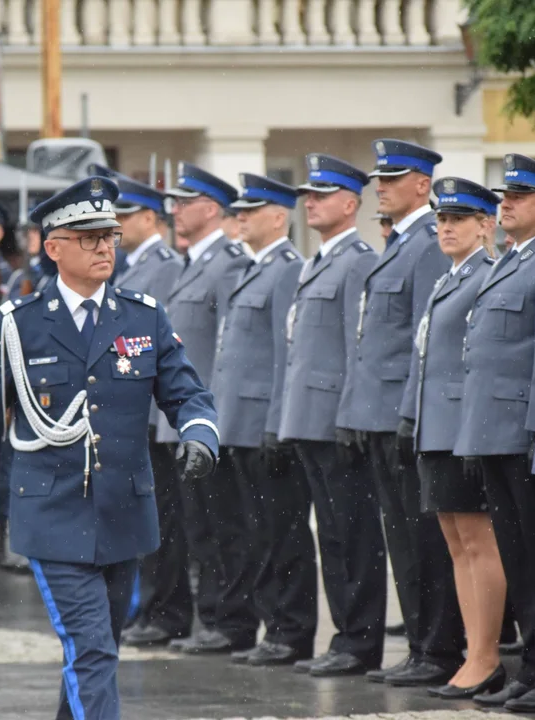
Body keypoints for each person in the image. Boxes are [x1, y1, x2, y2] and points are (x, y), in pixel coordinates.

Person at [0, 176, 219, 720]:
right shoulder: (17, 325)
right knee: (92, 647)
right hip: (51, 513)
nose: (105, 247)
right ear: (53, 248)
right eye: (89, 237)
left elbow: (185, 391)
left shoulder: (143, 315)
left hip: (124, 511)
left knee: (96, 649)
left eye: (110, 236)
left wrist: (198, 433)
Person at [456, 154, 535, 713]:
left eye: (518, 196)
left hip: (523, 436)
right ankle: (534, 668)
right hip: (493, 434)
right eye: (503, 195)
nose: (504, 203)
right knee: (520, 559)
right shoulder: (510, 261)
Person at [338, 139, 462, 687]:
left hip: (403, 417)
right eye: (377, 181)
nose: (379, 189)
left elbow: (424, 339)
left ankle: (437, 650)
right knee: (404, 543)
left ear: (422, 185)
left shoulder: (428, 244)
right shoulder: (397, 244)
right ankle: (420, 647)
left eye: (390, 180)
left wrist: (409, 413)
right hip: (380, 415)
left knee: (423, 541)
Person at [401, 178, 505, 699]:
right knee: (457, 544)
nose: (445, 227)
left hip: (464, 431)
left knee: (479, 542)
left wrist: (470, 435)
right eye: (441, 219)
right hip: (437, 431)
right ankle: (473, 651)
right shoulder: (450, 279)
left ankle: (485, 655)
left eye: (458, 220)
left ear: (487, 225)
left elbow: (478, 366)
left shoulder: (486, 277)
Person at [283, 154, 385, 678]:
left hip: (335, 419)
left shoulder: (357, 261)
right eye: (308, 194)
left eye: (320, 194)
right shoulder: (318, 259)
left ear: (350, 204)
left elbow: (357, 346)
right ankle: (346, 635)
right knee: (333, 536)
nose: (310, 201)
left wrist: (351, 415)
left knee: (354, 533)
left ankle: (360, 640)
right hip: (309, 416)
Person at [210, 173, 312, 666]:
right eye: (238, 211)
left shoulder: (286, 269)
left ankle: (291, 631)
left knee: (281, 532)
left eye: (251, 211)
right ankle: (271, 625)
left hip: (263, 424)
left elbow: (283, 354)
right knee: (255, 531)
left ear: (278, 217)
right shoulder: (253, 269)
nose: (240, 218)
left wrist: (277, 422)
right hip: (239, 422)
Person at [159, 163, 254, 655]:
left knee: (222, 524)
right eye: (173, 202)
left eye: (184, 202)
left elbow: (227, 347)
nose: (173, 210)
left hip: (208, 419)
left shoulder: (227, 262)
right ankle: (213, 616)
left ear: (212, 209)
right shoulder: (192, 262)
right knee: (199, 525)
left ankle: (232, 621)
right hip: (186, 418)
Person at [109, 177, 192, 649]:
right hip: (132, 411)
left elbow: (145, 341)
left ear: (148, 219)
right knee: (145, 515)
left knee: (164, 517)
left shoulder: (161, 266)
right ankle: (153, 608)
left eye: (124, 218)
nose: (116, 228)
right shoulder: (132, 265)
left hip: (149, 409)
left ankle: (168, 610)